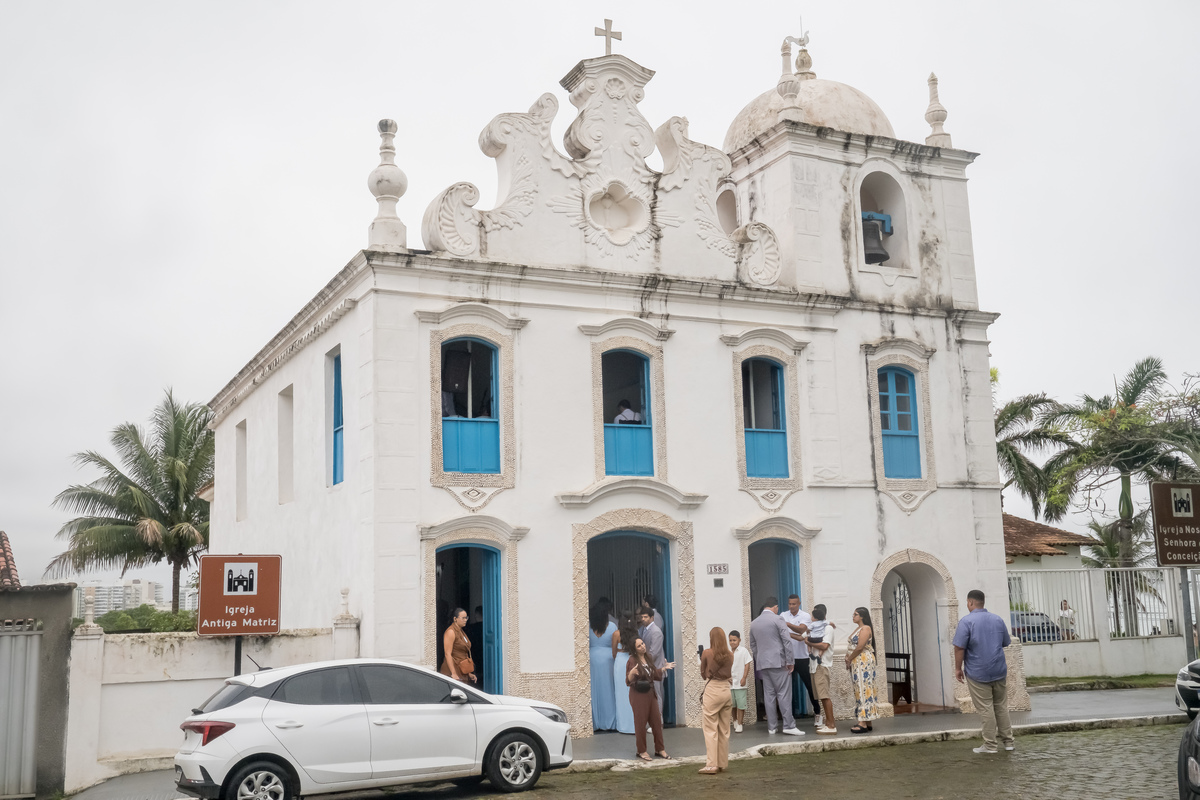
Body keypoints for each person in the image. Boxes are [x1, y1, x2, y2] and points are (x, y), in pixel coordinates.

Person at [953, 589, 1015, 754]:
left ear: (971, 602)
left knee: (986, 708)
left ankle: (990, 745)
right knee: (1001, 706)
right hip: (999, 670)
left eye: (967, 602)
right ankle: (1008, 742)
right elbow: (1005, 642)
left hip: (978, 672)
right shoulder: (997, 619)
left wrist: (958, 668)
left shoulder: (966, 622)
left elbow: (959, 647)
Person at [747, 596, 803, 736]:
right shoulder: (778, 619)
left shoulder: (754, 623)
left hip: (763, 662)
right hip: (779, 662)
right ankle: (789, 725)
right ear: (775, 607)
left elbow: (753, 644)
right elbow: (787, 640)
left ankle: (772, 727)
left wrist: (759, 657)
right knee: (783, 693)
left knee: (769, 694)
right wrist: (790, 661)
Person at [627, 637, 675, 761]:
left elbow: (653, 673)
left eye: (642, 643)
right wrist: (631, 674)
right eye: (639, 646)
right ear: (634, 649)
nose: (643, 646)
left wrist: (664, 668)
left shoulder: (647, 657)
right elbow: (628, 680)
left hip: (650, 693)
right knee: (640, 723)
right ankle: (641, 751)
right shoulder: (632, 660)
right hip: (638, 695)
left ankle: (660, 749)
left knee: (656, 721)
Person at [698, 626, 734, 775]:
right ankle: (722, 763)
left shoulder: (707, 652)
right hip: (726, 689)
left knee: (710, 728)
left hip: (713, 690)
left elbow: (703, 674)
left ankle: (711, 764)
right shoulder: (730, 654)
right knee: (724, 729)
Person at [780, 594, 819, 724]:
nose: (791, 606)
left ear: (799, 603)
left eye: (794, 604)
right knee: (786, 688)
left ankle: (818, 712)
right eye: (790, 604)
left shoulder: (805, 616)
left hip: (802, 657)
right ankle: (788, 716)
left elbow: (802, 629)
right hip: (788, 658)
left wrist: (787, 626)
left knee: (810, 686)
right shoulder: (783, 614)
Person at [844, 607, 878, 733]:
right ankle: (867, 720)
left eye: (856, 614)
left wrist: (849, 658)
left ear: (862, 616)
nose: (853, 616)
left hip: (862, 661)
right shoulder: (859, 628)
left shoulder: (865, 628)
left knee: (864, 689)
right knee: (860, 688)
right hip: (857, 661)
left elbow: (859, 647)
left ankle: (863, 722)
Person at [807, 604, 837, 735]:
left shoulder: (828, 628)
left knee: (825, 696)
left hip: (822, 665)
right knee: (821, 696)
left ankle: (831, 725)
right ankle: (827, 723)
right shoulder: (815, 628)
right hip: (814, 666)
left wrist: (809, 643)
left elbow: (824, 645)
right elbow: (801, 635)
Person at [588, 604, 618, 731]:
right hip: (608, 660)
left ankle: (595, 722)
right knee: (609, 690)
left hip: (592, 659)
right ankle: (609, 721)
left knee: (594, 689)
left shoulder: (588, 626)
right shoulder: (612, 626)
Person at [638, 607, 667, 719]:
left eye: (646, 617)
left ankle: (658, 721)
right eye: (642, 617)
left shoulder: (656, 632)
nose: (643, 619)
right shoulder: (642, 629)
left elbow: (653, 653)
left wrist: (642, 663)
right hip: (648, 668)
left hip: (656, 668)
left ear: (652, 618)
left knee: (656, 695)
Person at [612, 614, 638, 734]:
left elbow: (613, 653)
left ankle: (623, 725)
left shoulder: (617, 634)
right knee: (632, 692)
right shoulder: (636, 633)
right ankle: (635, 725)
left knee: (621, 693)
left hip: (620, 661)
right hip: (632, 660)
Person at [439, 607, 476, 684]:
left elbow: (462, 654)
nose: (465, 620)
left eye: (466, 617)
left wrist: (468, 673)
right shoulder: (451, 632)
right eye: (463, 618)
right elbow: (447, 654)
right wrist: (454, 673)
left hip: (462, 670)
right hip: (453, 671)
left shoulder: (461, 631)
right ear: (455, 619)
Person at [729, 630, 753, 733]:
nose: (732, 642)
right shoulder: (728, 652)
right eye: (730, 640)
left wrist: (744, 678)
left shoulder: (743, 651)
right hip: (730, 683)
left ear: (739, 640)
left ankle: (740, 723)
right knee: (732, 704)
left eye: (734, 640)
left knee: (740, 704)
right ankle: (734, 720)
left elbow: (747, 665)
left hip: (740, 683)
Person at [465, 606, 484, 686]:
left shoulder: (470, 628)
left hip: (474, 655)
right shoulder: (489, 628)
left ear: (476, 615)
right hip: (486, 656)